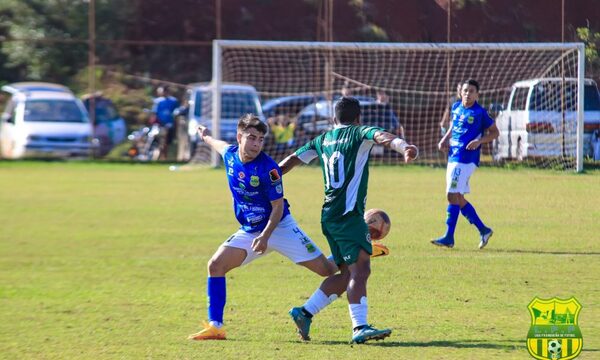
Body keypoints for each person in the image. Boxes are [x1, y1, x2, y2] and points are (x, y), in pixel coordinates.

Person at [279, 97, 418, 344]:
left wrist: (268, 176)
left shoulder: (322, 140)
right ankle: (360, 327)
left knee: (346, 273)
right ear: (357, 118)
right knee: (361, 270)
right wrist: (404, 146)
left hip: (329, 216)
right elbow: (382, 136)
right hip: (349, 215)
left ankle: (305, 312)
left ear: (334, 119)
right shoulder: (359, 132)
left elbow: (290, 161)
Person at [188, 114, 336, 341]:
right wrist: (205, 135)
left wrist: (266, 236)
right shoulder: (229, 154)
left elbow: (277, 208)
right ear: (239, 137)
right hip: (251, 230)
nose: (257, 144)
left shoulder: (269, 169)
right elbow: (215, 143)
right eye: (252, 138)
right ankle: (216, 327)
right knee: (216, 265)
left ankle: (357, 249)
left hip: (280, 227)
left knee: (326, 270)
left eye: (260, 139)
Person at [432, 79, 499, 249]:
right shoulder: (456, 107)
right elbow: (453, 125)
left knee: (451, 194)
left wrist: (479, 142)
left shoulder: (479, 112)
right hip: (453, 156)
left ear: (477, 94)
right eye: (465, 90)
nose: (468, 94)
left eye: (471, 91)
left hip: (466, 159)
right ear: (460, 92)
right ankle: (483, 230)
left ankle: (449, 237)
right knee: (457, 197)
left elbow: (495, 132)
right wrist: (444, 139)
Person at [151, 86, 180, 160]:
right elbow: (154, 113)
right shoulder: (157, 101)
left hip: (170, 125)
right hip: (160, 125)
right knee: (159, 142)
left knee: (168, 142)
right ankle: (158, 156)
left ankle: (166, 157)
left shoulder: (173, 101)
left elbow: (177, 113)